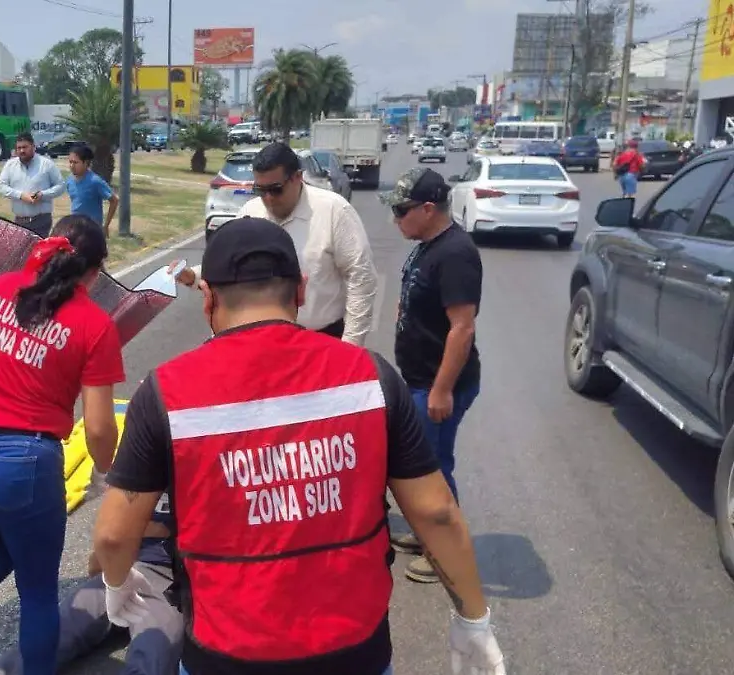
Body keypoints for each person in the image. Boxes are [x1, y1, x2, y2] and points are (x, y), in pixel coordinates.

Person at [91, 216, 505, 675]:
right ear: (302, 290)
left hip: (225, 655)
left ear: (207, 297)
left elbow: (113, 533)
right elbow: (436, 513)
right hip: (354, 652)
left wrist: (115, 585)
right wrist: (473, 619)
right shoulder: (370, 376)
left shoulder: (166, 393)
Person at [0, 215, 125, 675]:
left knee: (3, 546)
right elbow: (96, 427)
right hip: (19, 466)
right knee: (36, 592)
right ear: (94, 272)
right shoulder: (94, 324)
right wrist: (109, 473)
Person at [378, 167, 484, 584]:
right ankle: (427, 536)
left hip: (440, 385)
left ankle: (445, 553)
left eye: (401, 212)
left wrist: (441, 390)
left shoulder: (455, 253)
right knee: (421, 462)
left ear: (427, 209)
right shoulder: (425, 243)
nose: (395, 220)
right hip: (420, 378)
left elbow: (462, 327)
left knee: (433, 468)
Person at [175, 142, 378, 346]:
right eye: (261, 190)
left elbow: (361, 278)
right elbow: (233, 267)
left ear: (297, 178)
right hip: (263, 343)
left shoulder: (334, 211)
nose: (269, 199)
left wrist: (350, 345)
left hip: (321, 340)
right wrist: (192, 277)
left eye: (276, 189)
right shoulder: (250, 212)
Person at [0, 494, 183, 675]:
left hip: (162, 571)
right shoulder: (146, 455)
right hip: (136, 563)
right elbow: (112, 531)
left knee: (151, 652)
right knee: (151, 653)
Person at [0, 132, 67, 236]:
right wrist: (20, 195)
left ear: (33, 147)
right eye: (18, 148)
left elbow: (61, 186)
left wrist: (42, 195)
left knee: (39, 251)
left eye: (25, 147)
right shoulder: (10, 165)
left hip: (41, 221)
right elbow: (0, 187)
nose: (21, 151)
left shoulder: (46, 164)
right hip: (19, 221)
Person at [65, 144, 119, 237]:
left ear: (86, 163)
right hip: (76, 228)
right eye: (70, 162)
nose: (72, 166)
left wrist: (106, 226)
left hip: (92, 230)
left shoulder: (95, 181)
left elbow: (114, 200)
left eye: (75, 162)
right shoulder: (69, 180)